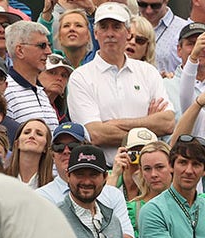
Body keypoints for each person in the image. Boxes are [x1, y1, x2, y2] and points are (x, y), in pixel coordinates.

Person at [66, 4, 173, 165]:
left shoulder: (148, 71)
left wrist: (114, 124)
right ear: (95, 33)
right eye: (104, 27)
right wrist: (148, 127)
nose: (110, 33)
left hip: (148, 172)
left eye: (116, 27)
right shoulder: (80, 77)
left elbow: (168, 122)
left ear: (128, 33)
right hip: (107, 174)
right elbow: (95, 134)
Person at [2, 21, 58, 131]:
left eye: (48, 45)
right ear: (20, 51)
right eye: (42, 46)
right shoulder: (5, 90)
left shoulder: (41, 91)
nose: (49, 52)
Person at [5, 118, 54, 188]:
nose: (32, 136)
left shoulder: (52, 186)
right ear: (17, 143)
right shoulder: (0, 178)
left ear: (46, 147)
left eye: (39, 134)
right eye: (27, 132)